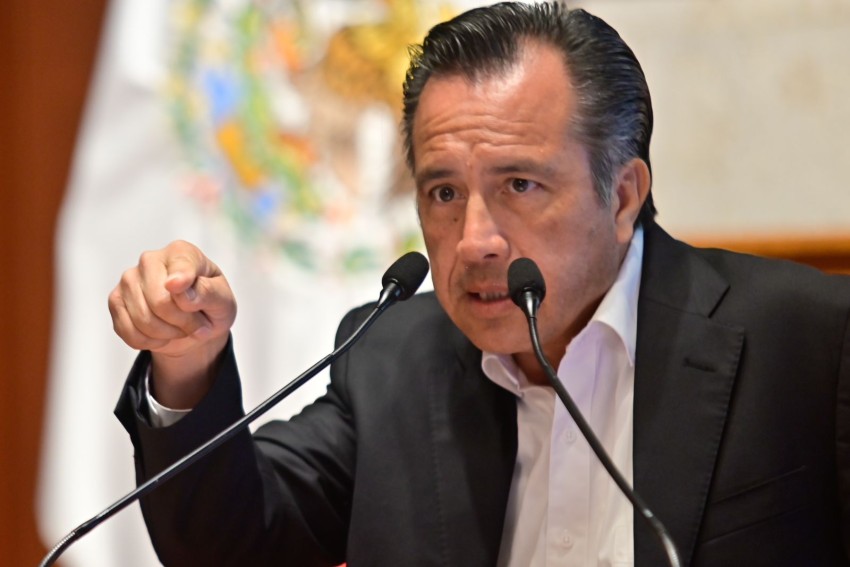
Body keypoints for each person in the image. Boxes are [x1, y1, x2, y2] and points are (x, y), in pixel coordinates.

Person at [109, 3, 850, 566]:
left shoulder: (809, 345)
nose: (473, 241)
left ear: (623, 196)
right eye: (443, 193)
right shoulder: (395, 359)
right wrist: (187, 360)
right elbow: (233, 539)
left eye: (520, 185)